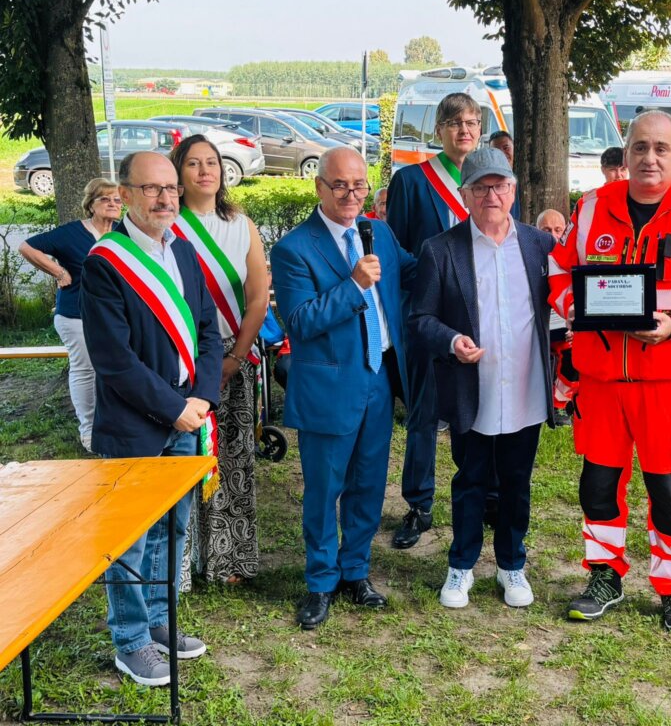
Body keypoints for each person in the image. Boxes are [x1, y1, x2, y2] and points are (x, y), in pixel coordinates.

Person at [549, 110, 671, 633]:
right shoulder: (592, 206)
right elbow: (559, 270)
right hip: (601, 381)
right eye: (639, 147)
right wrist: (575, 308)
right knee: (598, 485)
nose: (649, 158)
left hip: (668, 382)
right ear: (626, 152)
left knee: (670, 491)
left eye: (661, 149)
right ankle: (604, 576)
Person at [80, 152, 221, 685]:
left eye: (171, 188)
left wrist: (202, 399)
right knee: (130, 539)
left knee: (172, 528)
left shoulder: (181, 250)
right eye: (151, 189)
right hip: (136, 424)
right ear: (125, 195)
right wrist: (174, 408)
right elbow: (113, 359)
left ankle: (160, 623)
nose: (165, 198)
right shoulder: (104, 262)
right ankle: (131, 640)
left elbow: (208, 332)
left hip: (188, 414)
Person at [271, 147, 417, 629]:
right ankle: (320, 582)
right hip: (328, 388)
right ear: (319, 187)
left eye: (358, 185)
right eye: (340, 185)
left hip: (378, 380)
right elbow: (299, 321)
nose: (351, 195)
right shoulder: (294, 248)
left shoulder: (380, 232)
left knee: (369, 484)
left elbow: (414, 271)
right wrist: (353, 286)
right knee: (324, 490)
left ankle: (356, 571)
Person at [411, 146, 554, 609]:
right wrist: (453, 340)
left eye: (499, 186)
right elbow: (420, 319)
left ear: (513, 190)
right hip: (472, 386)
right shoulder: (440, 249)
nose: (491, 195)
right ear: (464, 194)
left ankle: (512, 565)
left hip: (525, 384)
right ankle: (461, 565)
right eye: (480, 187)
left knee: (516, 480)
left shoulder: (539, 245)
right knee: (470, 479)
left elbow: (559, 307)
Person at [388, 93, 519, 549]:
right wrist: (433, 284)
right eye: (455, 122)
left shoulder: (496, 180)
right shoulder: (412, 181)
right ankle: (418, 503)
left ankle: (491, 496)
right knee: (424, 412)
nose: (464, 130)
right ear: (438, 130)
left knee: (490, 405)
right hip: (429, 315)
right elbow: (397, 248)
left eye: (472, 122)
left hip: (487, 314)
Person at [169, 135, 269, 587]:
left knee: (231, 458)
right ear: (178, 172)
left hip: (233, 355)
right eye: (193, 163)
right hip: (182, 361)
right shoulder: (168, 227)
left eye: (211, 162)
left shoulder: (241, 225)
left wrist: (236, 356)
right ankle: (181, 565)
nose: (205, 170)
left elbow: (257, 298)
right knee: (184, 458)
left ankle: (228, 559)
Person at [18, 178, 121, 451]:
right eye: (105, 199)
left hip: (112, 317)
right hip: (76, 314)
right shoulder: (72, 233)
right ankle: (89, 431)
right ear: (91, 204)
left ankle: (112, 424)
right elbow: (26, 247)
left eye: (117, 200)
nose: (113, 204)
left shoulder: (122, 233)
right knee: (85, 369)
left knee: (114, 369)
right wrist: (58, 272)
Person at [536, 209, 576, 424]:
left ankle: (560, 403)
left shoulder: (574, 257)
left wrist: (575, 327)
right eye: (546, 230)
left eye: (558, 230)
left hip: (564, 326)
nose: (552, 235)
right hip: (535, 327)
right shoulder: (526, 256)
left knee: (576, 348)